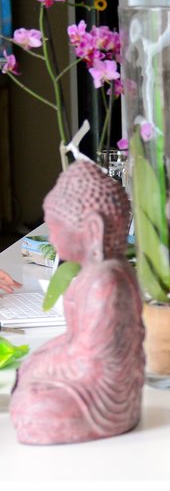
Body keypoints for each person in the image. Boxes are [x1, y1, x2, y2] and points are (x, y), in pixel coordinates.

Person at [10, 161, 145, 445]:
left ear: (93, 228)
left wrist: (41, 366)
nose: (54, 239)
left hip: (103, 398)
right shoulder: (95, 275)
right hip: (83, 382)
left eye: (57, 228)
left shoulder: (105, 282)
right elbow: (75, 339)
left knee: (36, 406)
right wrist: (37, 360)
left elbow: (92, 363)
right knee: (29, 390)